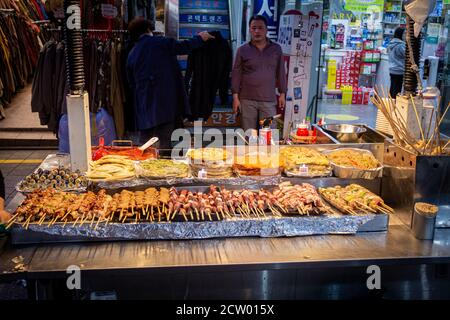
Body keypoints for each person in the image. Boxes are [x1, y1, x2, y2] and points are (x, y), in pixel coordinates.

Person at [126, 18, 214, 149]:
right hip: (165, 105)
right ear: (149, 29)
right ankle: (164, 166)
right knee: (165, 145)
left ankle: (143, 167)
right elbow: (183, 46)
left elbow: (131, 83)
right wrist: (200, 38)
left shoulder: (132, 54)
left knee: (145, 146)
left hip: (144, 108)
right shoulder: (159, 42)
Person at [231, 15, 287, 132]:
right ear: (250, 29)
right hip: (247, 100)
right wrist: (235, 98)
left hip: (268, 100)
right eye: (254, 28)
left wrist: (282, 93)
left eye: (260, 28)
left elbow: (281, 71)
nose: (257, 31)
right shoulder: (242, 50)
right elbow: (236, 74)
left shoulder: (276, 49)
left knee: (268, 134)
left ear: (267, 29)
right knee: (249, 134)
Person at [388, 27, 406, 98]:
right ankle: (394, 106)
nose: (405, 35)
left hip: (392, 69)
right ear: (400, 34)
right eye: (404, 33)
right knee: (397, 91)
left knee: (392, 88)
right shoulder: (400, 45)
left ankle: (390, 104)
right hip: (399, 70)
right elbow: (407, 55)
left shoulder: (391, 43)